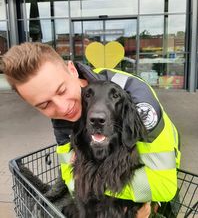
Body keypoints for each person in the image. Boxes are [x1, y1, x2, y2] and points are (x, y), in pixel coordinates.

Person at [2, 42, 181, 218]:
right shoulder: (61, 118)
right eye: (44, 104)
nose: (63, 108)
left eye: (62, 90)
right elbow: (70, 179)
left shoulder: (141, 105)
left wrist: (90, 181)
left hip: (158, 166)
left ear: (72, 70)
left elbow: (163, 186)